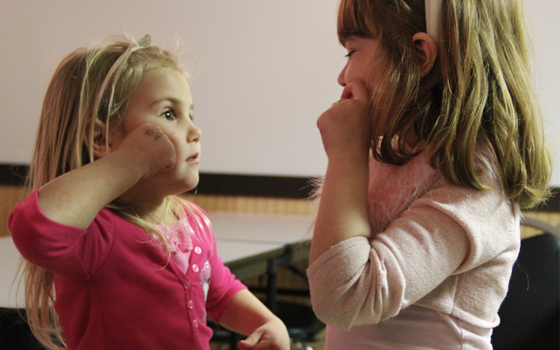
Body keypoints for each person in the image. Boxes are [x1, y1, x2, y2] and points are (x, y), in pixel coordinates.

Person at [8, 35, 289, 350]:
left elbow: (219, 292)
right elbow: (36, 231)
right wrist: (127, 162)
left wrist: (267, 322)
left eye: (190, 115)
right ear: (100, 138)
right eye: (169, 114)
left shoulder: (193, 221)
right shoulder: (96, 237)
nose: (195, 131)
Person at [307, 0, 552, 349]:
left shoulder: (477, 182)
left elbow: (344, 297)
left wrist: (345, 154)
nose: (342, 77)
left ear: (419, 56)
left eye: (351, 52)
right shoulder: (390, 152)